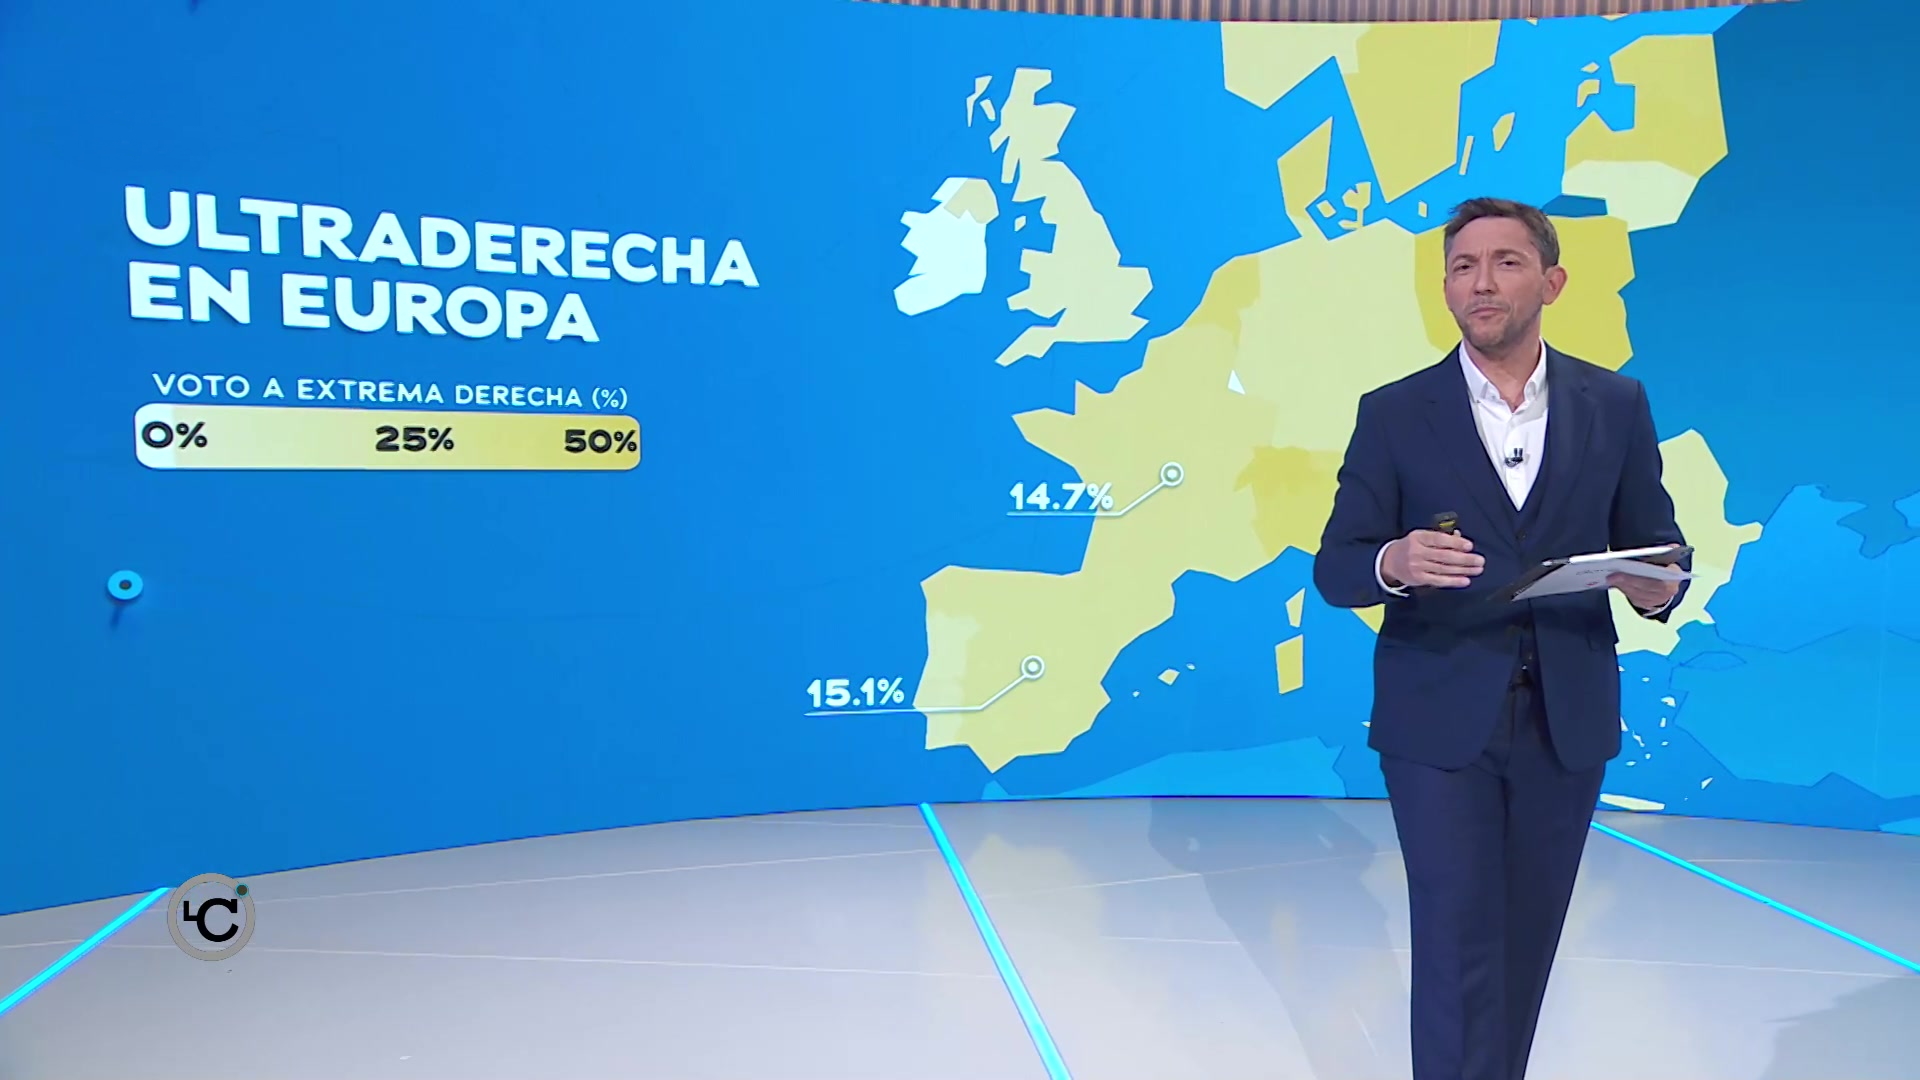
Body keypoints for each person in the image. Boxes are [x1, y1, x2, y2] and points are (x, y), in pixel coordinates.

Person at [1312, 196, 1689, 1080]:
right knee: (1456, 938)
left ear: (1552, 282)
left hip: (1566, 718)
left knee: (1526, 944)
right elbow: (1338, 567)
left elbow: (1659, 546)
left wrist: (1658, 586)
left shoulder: (1616, 404)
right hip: (1439, 718)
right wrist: (1395, 560)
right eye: (1462, 266)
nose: (1480, 282)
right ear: (1447, 289)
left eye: (1505, 262)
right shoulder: (1395, 413)